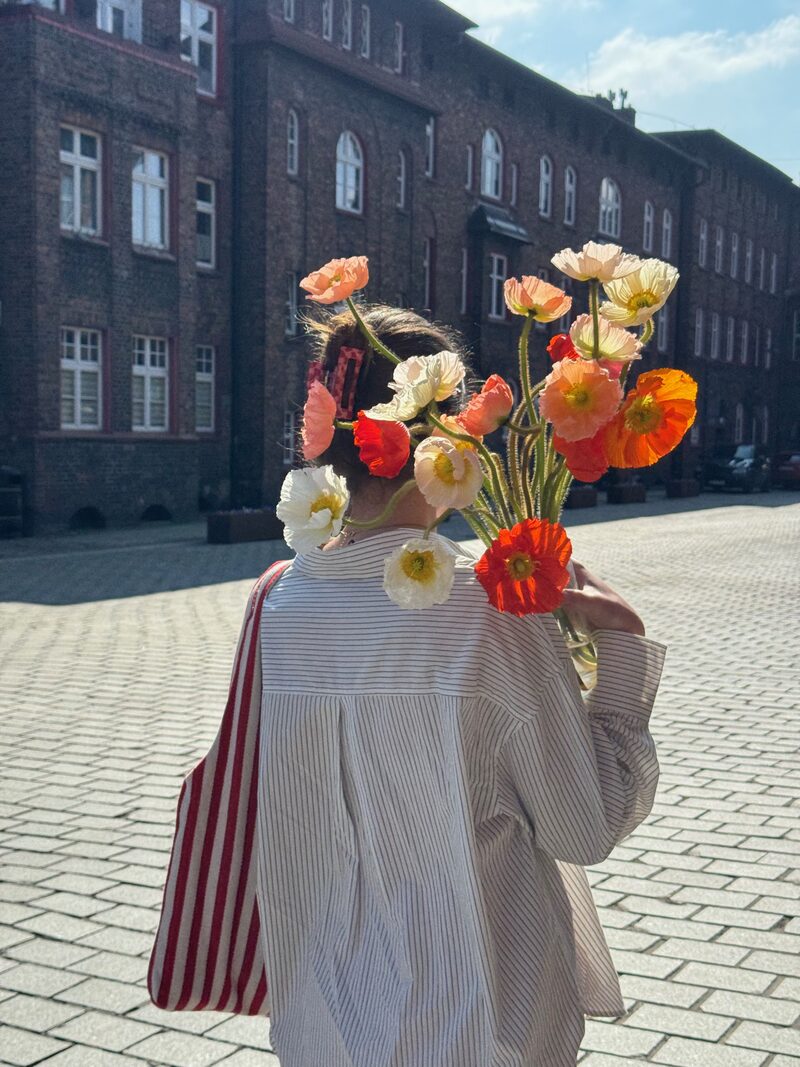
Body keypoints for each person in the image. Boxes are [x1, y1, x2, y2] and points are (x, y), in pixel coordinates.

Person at [255, 306, 667, 1067]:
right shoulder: (488, 612)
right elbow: (583, 825)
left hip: (326, 1011)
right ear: (452, 438)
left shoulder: (279, 602)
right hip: (482, 1014)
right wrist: (623, 649)